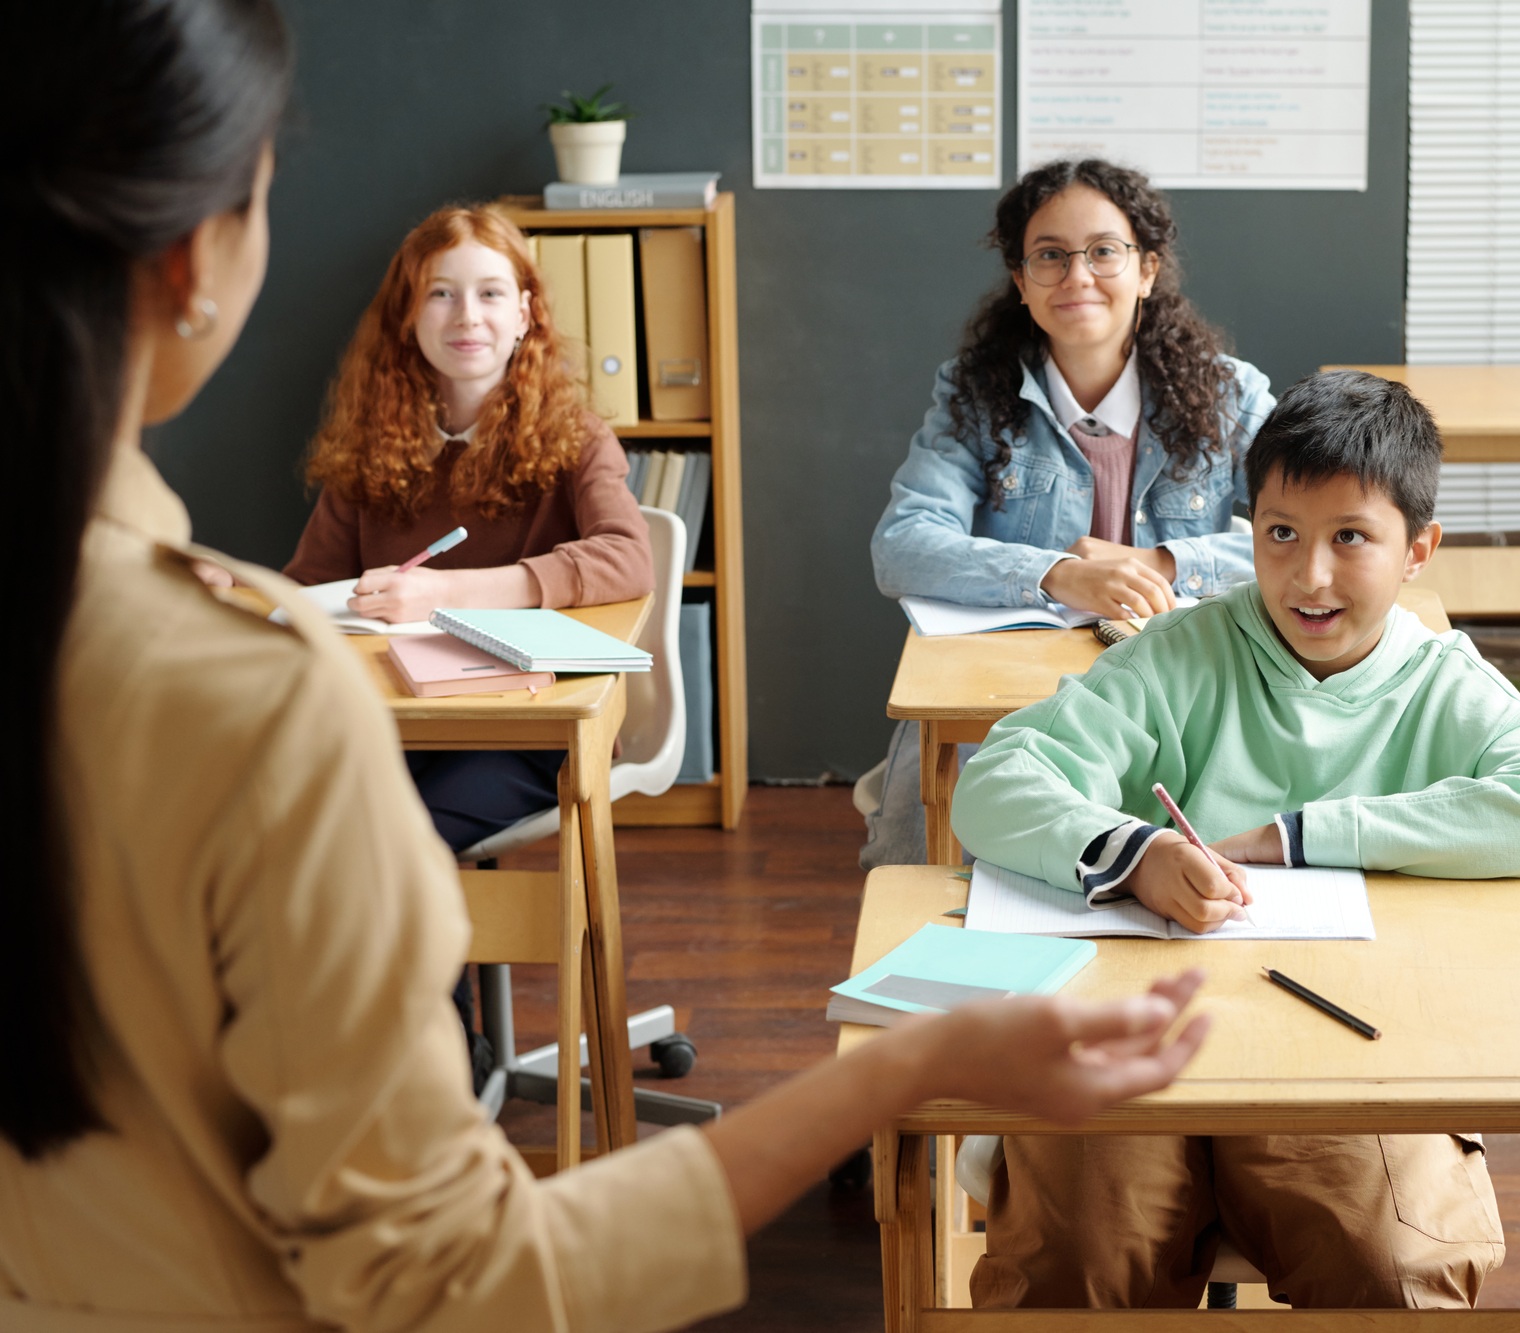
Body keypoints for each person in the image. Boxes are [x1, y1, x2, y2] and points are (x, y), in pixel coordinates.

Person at [1, 3, 1209, 1329]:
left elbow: (620, 558)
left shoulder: (279, 639)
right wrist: (898, 1072)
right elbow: (460, 1284)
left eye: (1103, 254)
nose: (1076, 278)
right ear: (193, 260)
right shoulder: (258, 699)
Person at [950, 370, 1520, 1310]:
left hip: (1355, 1053)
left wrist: (1301, 835)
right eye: (1280, 534)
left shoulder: (1440, 683)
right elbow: (998, 783)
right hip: (1141, 1043)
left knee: (1388, 1266)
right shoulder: (1179, 656)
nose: (1310, 575)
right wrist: (1132, 853)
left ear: (1419, 548)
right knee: (1080, 1265)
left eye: (1352, 538)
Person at [863, 158, 1276, 867]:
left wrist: (1166, 562)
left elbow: (1319, 536)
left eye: (1104, 252)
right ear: (1021, 282)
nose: (1077, 276)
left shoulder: (1228, 394)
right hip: (1006, 688)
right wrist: (1057, 574)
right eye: (1050, 256)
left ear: (1146, 269)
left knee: (1206, 850)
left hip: (1180, 683)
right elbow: (901, 544)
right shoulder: (974, 395)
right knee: (908, 851)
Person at [282, 202, 650, 856]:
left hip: (531, 729)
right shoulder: (372, 446)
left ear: (525, 315)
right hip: (399, 718)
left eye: (489, 293)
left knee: (395, 846)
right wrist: (241, 594)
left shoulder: (577, 436)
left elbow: (627, 559)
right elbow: (308, 585)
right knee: (315, 828)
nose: (467, 316)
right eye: (441, 295)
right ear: (408, 315)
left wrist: (445, 594)